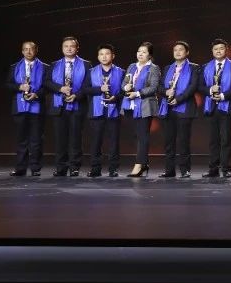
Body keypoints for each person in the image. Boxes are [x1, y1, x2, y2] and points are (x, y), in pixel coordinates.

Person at [45, 36, 90, 176]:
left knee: (76, 138)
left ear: (77, 48)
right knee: (60, 139)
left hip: (77, 106)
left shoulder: (86, 65)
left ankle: (74, 167)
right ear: (62, 48)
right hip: (59, 106)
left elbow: (88, 85)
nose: (69, 48)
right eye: (66, 46)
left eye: (72, 46)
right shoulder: (54, 65)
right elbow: (47, 82)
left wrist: (76, 95)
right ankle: (61, 167)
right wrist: (60, 88)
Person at [81, 43, 124, 177]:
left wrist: (115, 97)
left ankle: (113, 169)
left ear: (113, 56)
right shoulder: (91, 72)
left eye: (107, 54)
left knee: (113, 142)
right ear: (98, 56)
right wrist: (100, 89)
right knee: (96, 142)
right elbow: (85, 89)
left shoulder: (121, 72)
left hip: (114, 112)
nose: (104, 57)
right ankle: (95, 168)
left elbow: (124, 91)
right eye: (101, 54)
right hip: (96, 111)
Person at [201, 38, 231, 178]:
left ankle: (226, 168)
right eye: (215, 49)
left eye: (221, 48)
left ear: (226, 50)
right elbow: (200, 86)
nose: (218, 51)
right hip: (211, 106)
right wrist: (210, 91)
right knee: (213, 140)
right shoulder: (206, 66)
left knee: (226, 139)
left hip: (227, 106)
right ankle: (213, 169)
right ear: (212, 51)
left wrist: (223, 96)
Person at [7, 41, 48, 177]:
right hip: (19, 107)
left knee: (36, 139)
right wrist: (19, 87)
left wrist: (36, 94)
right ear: (22, 51)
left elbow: (47, 87)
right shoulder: (14, 67)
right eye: (26, 49)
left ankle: (35, 168)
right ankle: (20, 168)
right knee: (21, 139)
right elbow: (8, 85)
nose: (28, 51)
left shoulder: (45, 67)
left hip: (37, 107)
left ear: (36, 50)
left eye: (31, 49)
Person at [121, 42, 161, 178]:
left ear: (150, 55)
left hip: (145, 105)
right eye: (139, 51)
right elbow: (124, 82)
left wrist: (137, 93)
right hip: (131, 105)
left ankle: (139, 164)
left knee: (143, 135)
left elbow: (154, 87)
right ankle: (144, 163)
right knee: (137, 135)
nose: (140, 54)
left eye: (144, 52)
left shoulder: (153, 68)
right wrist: (125, 87)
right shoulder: (132, 66)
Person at [159, 41, 198, 178]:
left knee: (183, 141)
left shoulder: (194, 68)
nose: (178, 52)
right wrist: (166, 92)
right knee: (169, 141)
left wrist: (179, 99)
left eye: (181, 49)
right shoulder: (168, 68)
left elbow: (193, 87)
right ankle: (169, 170)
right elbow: (159, 86)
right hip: (168, 108)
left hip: (184, 108)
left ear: (187, 52)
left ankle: (185, 169)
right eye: (175, 50)